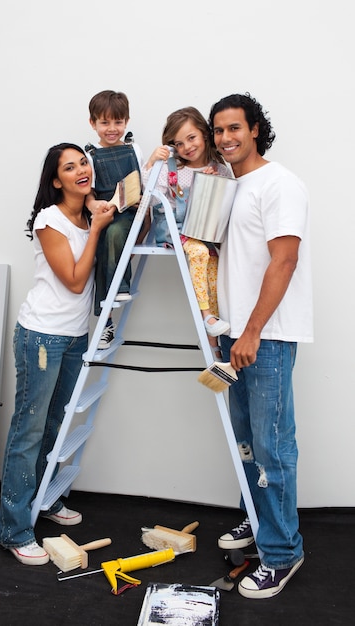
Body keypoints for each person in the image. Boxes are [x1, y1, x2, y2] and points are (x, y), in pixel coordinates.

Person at [209, 93, 313, 598]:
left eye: (235, 128)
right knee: (246, 444)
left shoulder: (280, 183)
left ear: (255, 129)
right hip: (237, 334)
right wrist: (226, 329)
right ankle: (259, 521)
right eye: (218, 130)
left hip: (266, 337)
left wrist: (250, 332)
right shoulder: (231, 186)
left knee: (273, 449)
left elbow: (284, 261)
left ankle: (282, 553)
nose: (226, 138)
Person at [0, 143, 115, 565]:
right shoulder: (50, 221)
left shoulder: (91, 213)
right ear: (56, 180)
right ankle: (14, 530)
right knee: (29, 430)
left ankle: (45, 499)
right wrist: (98, 229)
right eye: (70, 167)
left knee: (56, 425)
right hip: (43, 340)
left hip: (74, 338)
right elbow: (75, 282)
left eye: (83, 162)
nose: (81, 170)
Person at [142, 106, 232, 356]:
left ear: (204, 133)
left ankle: (214, 345)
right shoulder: (171, 168)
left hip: (203, 234)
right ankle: (207, 317)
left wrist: (212, 185)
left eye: (191, 138)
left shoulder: (220, 169)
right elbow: (150, 199)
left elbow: (221, 211)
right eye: (179, 143)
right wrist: (151, 162)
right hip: (174, 230)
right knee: (200, 253)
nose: (187, 147)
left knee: (214, 272)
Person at [85, 90, 148, 349]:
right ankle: (105, 323)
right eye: (105, 123)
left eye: (118, 122)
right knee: (101, 250)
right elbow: (87, 190)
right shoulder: (89, 155)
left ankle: (120, 285)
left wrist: (138, 199)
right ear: (93, 124)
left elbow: (144, 185)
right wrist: (92, 203)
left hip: (131, 212)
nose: (112, 129)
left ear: (127, 121)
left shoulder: (134, 148)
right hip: (105, 212)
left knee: (113, 235)